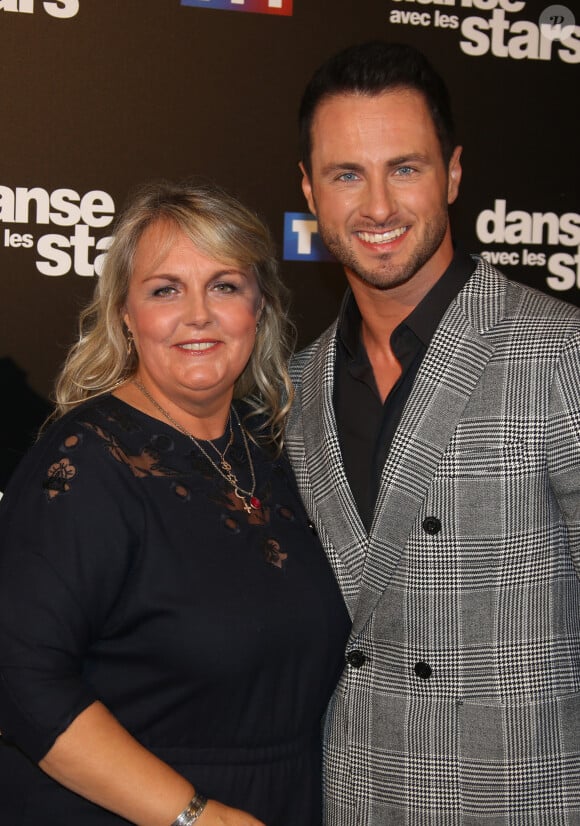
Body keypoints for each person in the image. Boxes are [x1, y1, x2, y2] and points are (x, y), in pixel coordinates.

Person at [286, 41, 580, 825]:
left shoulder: (559, 351)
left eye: (405, 168)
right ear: (310, 190)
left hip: (518, 802)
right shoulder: (297, 382)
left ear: (452, 173)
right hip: (354, 796)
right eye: (348, 174)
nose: (377, 206)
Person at [0, 180, 351, 826]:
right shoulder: (85, 465)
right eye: (166, 290)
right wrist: (194, 816)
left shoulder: (276, 455)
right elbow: (20, 680)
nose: (197, 315)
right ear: (126, 316)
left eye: (224, 286)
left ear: (260, 309)